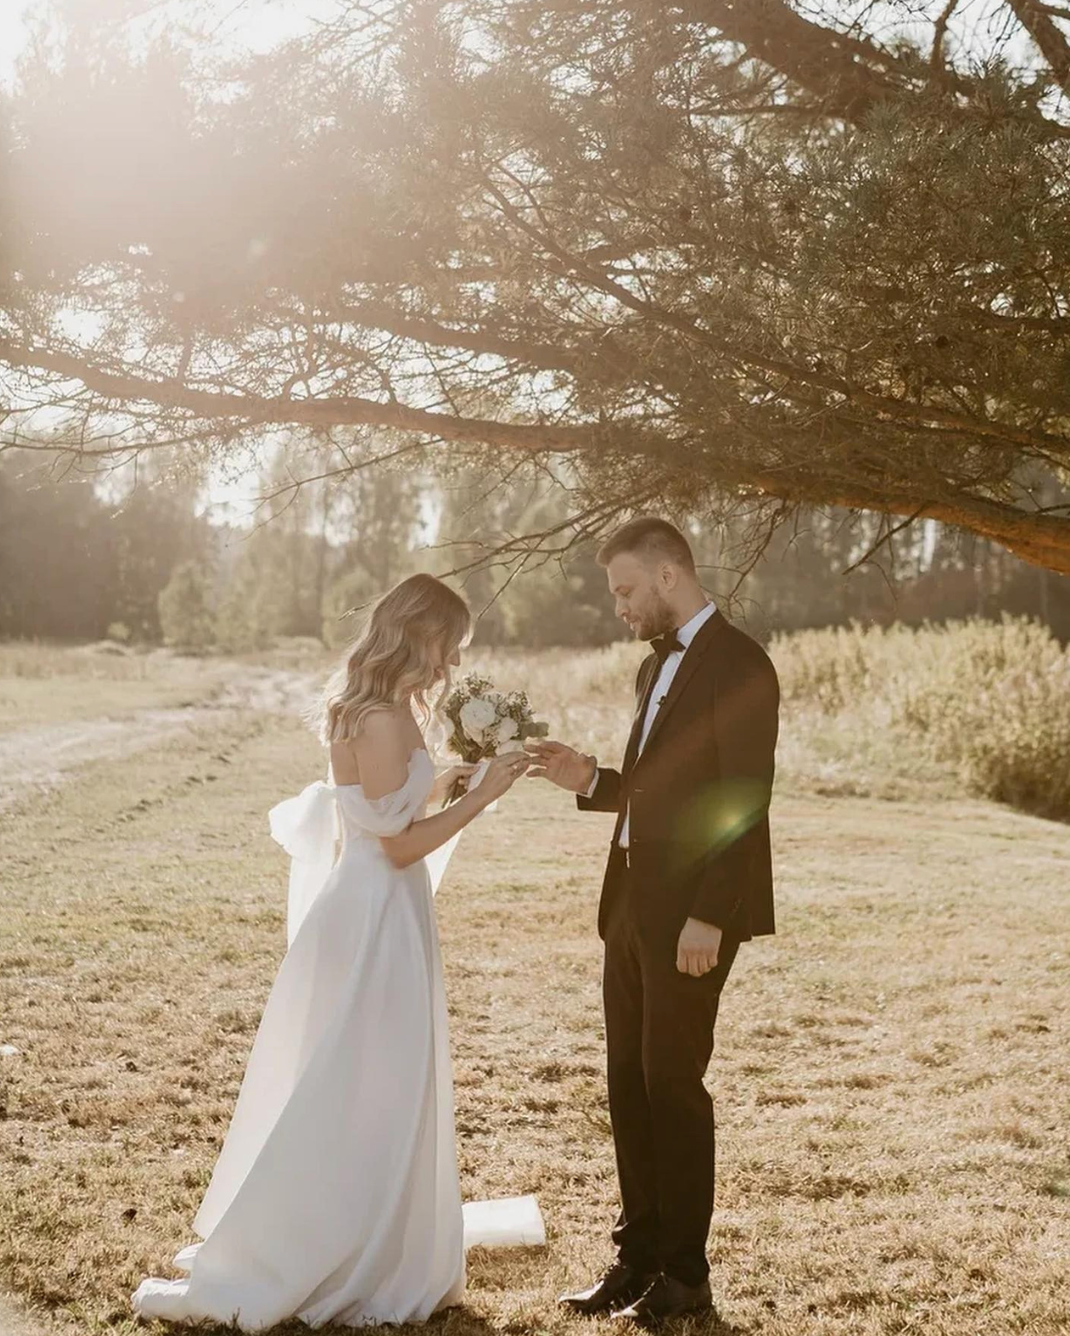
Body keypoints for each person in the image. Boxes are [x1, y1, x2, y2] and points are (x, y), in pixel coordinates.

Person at [132, 573, 540, 1331]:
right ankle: (350, 1244)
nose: (451, 664)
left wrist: (450, 777)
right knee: (370, 1082)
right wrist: (483, 798)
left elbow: (386, 810)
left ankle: (360, 1230)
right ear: (420, 635)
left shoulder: (367, 708)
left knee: (366, 1079)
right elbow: (395, 846)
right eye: (448, 645)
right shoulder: (383, 719)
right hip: (377, 915)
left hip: (374, 909)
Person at [527, 517, 779, 1324]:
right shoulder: (652, 670)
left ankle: (684, 1276)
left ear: (670, 576)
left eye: (627, 590)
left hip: (691, 917)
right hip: (631, 902)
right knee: (628, 1087)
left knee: (671, 1085)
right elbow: (653, 789)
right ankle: (634, 1260)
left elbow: (742, 799)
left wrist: (710, 914)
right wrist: (589, 777)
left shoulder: (741, 664)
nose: (621, 608)